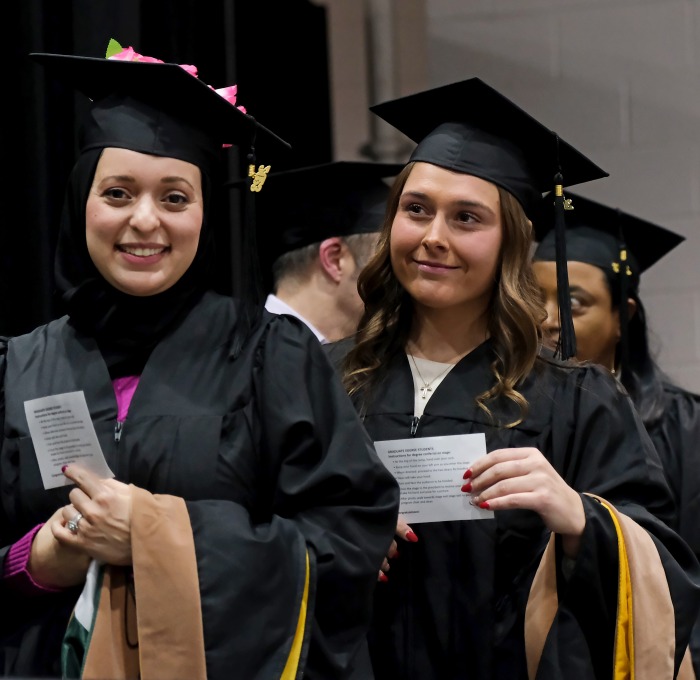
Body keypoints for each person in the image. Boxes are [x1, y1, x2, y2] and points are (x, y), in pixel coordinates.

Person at [0, 42, 400, 679]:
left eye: (176, 198)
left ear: (207, 211)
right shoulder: (20, 365)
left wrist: (157, 536)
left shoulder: (275, 357)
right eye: (118, 192)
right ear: (82, 203)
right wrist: (38, 559)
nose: (144, 220)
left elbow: (347, 545)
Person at [326, 77, 700, 679]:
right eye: (415, 209)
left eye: (467, 218)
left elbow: (669, 572)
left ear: (512, 242)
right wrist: (318, 538)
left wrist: (580, 518)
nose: (432, 237)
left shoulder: (580, 399)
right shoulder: (321, 378)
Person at [532, 192, 700, 676]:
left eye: (573, 302)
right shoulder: (513, 415)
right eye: (532, 297)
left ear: (622, 316)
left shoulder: (683, 427)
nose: (546, 319)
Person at [242, 160, 401, 343]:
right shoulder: (247, 359)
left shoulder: (364, 359)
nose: (406, 281)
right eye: (388, 261)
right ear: (335, 260)